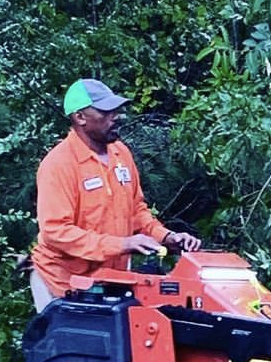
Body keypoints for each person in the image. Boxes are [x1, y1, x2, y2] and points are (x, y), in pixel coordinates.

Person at [30, 78, 201, 310]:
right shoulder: (58, 164)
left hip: (110, 281)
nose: (117, 116)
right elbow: (56, 232)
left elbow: (137, 211)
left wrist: (167, 237)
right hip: (62, 284)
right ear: (80, 117)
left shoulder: (121, 154)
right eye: (106, 111)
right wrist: (121, 244)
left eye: (117, 110)